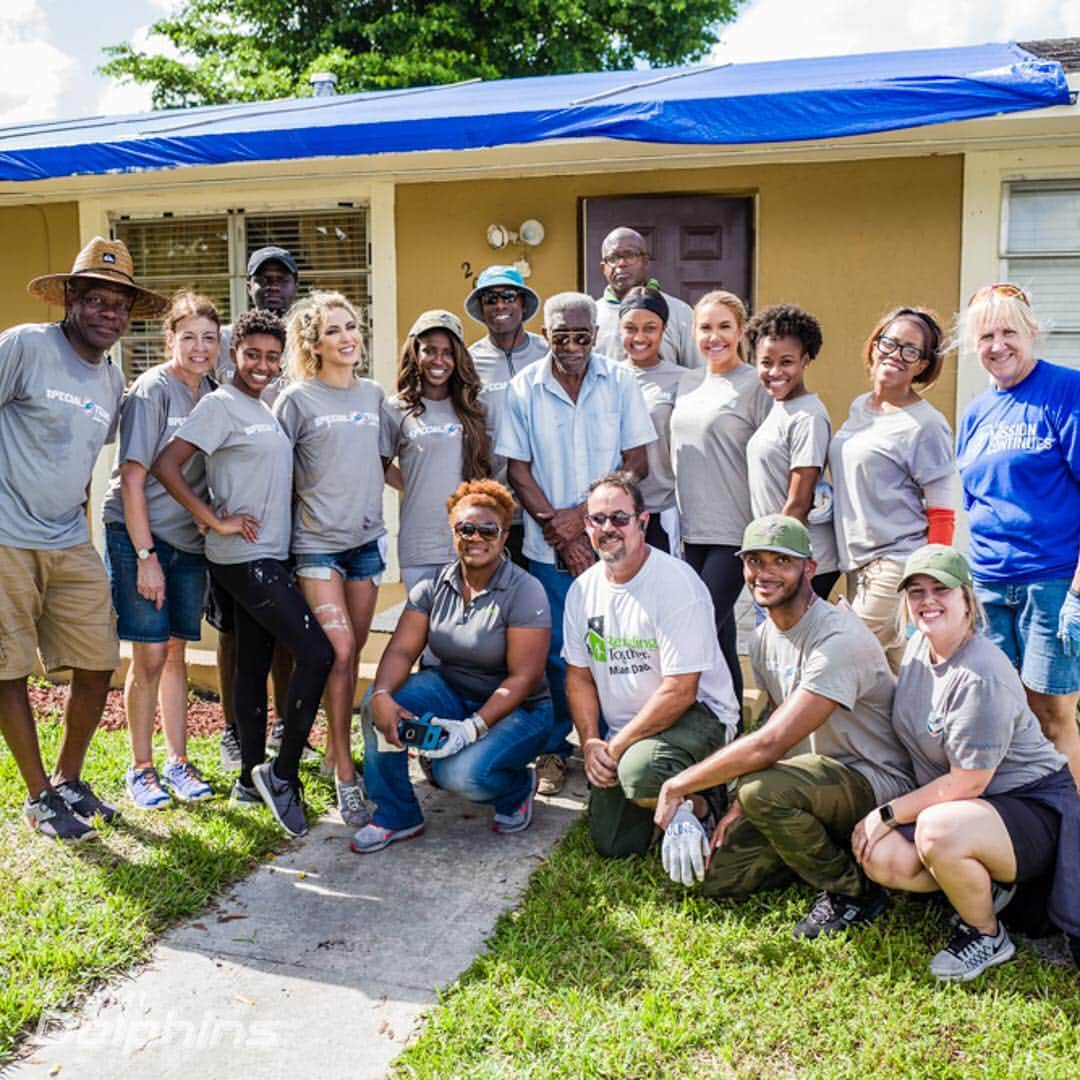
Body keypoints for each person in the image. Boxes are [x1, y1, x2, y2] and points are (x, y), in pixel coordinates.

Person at [654, 515, 914, 940]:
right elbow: (775, 718)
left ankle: (852, 891)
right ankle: (810, 846)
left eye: (782, 561)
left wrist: (677, 785)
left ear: (809, 569)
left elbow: (770, 743)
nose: (765, 573)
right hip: (810, 779)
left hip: (874, 779)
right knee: (719, 877)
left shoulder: (837, 639)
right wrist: (738, 807)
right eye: (754, 560)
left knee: (762, 792)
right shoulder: (763, 637)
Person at [2, 237, 167, 840]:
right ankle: (39, 794)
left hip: (68, 537)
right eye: (97, 300)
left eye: (120, 305)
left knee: (98, 658)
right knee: (8, 666)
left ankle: (69, 778)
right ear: (70, 298)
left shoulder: (111, 377)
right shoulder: (25, 346)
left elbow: (76, 452)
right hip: (6, 537)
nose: (109, 314)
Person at [854, 545, 1079, 980]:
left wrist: (885, 813)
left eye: (941, 590)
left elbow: (967, 784)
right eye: (916, 591)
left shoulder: (981, 674)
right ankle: (985, 885)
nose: (927, 601)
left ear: (968, 600)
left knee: (938, 830)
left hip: (1030, 807)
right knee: (882, 858)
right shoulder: (919, 648)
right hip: (972, 810)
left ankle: (986, 933)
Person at [153, 309, 334, 838]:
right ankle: (282, 773)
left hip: (270, 555)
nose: (261, 364)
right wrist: (213, 519)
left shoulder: (262, 406)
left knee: (252, 665)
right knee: (317, 652)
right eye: (251, 354)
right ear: (234, 354)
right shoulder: (219, 405)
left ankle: (250, 781)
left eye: (272, 356)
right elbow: (167, 464)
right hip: (242, 558)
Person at [498, 291, 656, 795]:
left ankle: (616, 746)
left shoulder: (620, 381)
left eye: (581, 336)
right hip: (549, 551)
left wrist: (584, 521)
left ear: (595, 335)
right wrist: (559, 529)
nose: (571, 345)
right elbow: (517, 470)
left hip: (611, 546)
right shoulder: (523, 387)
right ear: (545, 336)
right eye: (561, 336)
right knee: (557, 657)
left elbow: (638, 461)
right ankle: (554, 750)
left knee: (615, 649)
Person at [354, 480, 553, 852]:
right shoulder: (433, 586)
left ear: (504, 535)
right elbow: (400, 651)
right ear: (452, 531)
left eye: (487, 529)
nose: (475, 537)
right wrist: (382, 694)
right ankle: (395, 815)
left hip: (520, 709)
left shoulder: (525, 590)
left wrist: (472, 728)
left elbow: (523, 678)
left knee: (459, 776)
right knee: (373, 703)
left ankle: (516, 789)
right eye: (465, 528)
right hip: (450, 690)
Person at [563, 473, 739, 858]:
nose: (608, 528)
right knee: (615, 845)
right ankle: (675, 793)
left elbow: (681, 690)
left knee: (639, 774)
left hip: (698, 716)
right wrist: (592, 741)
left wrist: (617, 747)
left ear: (642, 522)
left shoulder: (676, 583)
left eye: (619, 518)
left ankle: (704, 804)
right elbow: (578, 677)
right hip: (624, 733)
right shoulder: (582, 591)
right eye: (598, 519)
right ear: (587, 526)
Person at [956, 284, 1080, 785]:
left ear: (1032, 333)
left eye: (1009, 331)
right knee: (1001, 720)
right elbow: (974, 505)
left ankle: (1071, 844)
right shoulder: (975, 413)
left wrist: (1077, 590)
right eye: (986, 335)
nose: (998, 344)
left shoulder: (1066, 390)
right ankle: (1023, 830)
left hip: (1050, 584)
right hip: (988, 588)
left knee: (1052, 718)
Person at [274, 291, 389, 828]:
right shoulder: (297, 400)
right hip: (315, 545)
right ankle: (346, 774)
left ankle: (330, 748)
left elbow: (387, 463)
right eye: (335, 331)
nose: (348, 338)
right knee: (340, 653)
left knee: (354, 653)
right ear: (313, 345)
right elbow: (273, 471)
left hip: (365, 544)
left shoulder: (373, 396)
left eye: (352, 327)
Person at [101, 290, 219, 809]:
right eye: (188, 337)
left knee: (176, 652)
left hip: (186, 539)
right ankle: (141, 768)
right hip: (138, 534)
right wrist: (145, 558)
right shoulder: (153, 390)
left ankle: (178, 761)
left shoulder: (214, 394)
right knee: (147, 654)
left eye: (209, 338)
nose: (199, 348)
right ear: (169, 339)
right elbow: (131, 479)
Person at [829, 306, 957, 673]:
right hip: (856, 564)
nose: (895, 354)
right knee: (895, 679)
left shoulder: (926, 425)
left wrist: (934, 582)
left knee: (841, 660)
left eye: (910, 350)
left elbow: (943, 512)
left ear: (922, 365)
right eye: (889, 342)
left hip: (896, 563)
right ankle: (929, 731)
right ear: (873, 346)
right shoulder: (859, 407)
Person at [211, 244, 300, 769]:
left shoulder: (300, 350)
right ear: (248, 284)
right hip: (237, 524)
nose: (272, 285)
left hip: (287, 520)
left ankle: (289, 721)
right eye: (262, 277)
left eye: (281, 277)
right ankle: (234, 729)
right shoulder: (227, 349)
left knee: (286, 631)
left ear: (294, 284)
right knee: (233, 634)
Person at [670, 289, 771, 708]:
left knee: (697, 630)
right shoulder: (688, 381)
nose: (715, 337)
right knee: (722, 634)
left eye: (724, 327)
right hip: (691, 530)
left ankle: (699, 719)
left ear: (741, 331)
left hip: (734, 530)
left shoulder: (756, 385)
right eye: (706, 328)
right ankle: (732, 728)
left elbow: (773, 457)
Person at [383, 310, 491, 592]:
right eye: (429, 350)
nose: (438, 360)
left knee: (464, 632)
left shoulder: (474, 408)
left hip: (469, 540)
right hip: (418, 542)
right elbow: (378, 465)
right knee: (422, 631)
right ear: (415, 353)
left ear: (458, 359)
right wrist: (416, 482)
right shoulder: (396, 409)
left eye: (447, 352)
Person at [745, 304, 841, 599]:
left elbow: (798, 504)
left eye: (786, 362)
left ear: (805, 360)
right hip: (779, 554)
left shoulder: (807, 417)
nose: (775, 372)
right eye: (766, 362)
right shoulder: (779, 409)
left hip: (800, 558)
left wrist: (771, 560)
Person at [466, 265, 547, 566]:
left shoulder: (548, 354)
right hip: (498, 509)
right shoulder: (469, 361)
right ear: (482, 308)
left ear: (523, 304)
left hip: (547, 505)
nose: (500, 305)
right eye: (491, 298)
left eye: (509, 296)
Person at [619, 287, 683, 553]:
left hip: (660, 508)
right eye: (631, 328)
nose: (639, 337)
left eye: (650, 328)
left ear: (664, 329)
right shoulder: (604, 376)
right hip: (616, 512)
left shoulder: (684, 380)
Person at [593, 227, 698, 369]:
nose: (621, 263)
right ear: (603, 267)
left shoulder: (680, 312)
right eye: (613, 258)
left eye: (630, 255)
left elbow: (699, 374)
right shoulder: (592, 315)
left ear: (645, 261)